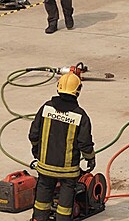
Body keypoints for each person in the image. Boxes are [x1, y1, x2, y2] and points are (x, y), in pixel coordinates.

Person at [29, 73, 95, 221]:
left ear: (58, 87)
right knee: (65, 206)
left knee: (42, 200)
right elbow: (84, 143)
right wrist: (91, 159)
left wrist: (36, 150)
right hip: (68, 172)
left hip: (45, 167)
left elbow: (34, 134)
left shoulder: (46, 108)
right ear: (77, 90)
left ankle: (39, 219)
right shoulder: (80, 115)